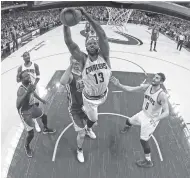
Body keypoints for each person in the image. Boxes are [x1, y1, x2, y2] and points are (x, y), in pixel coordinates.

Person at [64, 7, 112, 139]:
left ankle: (88, 123)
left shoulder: (105, 56)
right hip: (90, 100)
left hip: (104, 94)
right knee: (94, 120)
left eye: (94, 42)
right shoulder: (83, 60)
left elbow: (101, 34)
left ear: (98, 45)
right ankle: (87, 129)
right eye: (89, 42)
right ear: (86, 47)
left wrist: (86, 14)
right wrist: (65, 23)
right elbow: (70, 43)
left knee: (94, 117)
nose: (92, 43)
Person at [110, 73, 169, 168]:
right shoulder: (148, 87)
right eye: (154, 77)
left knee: (143, 140)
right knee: (128, 121)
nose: (154, 79)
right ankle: (127, 128)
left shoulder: (162, 95)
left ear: (161, 82)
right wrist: (119, 85)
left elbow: (166, 112)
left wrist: (156, 119)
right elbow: (131, 89)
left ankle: (148, 161)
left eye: (157, 78)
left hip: (150, 120)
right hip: (143, 113)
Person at [60, 56, 96, 163]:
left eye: (77, 62)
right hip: (75, 109)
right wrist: (71, 65)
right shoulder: (70, 75)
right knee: (81, 134)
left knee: (93, 120)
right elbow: (62, 81)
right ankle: (79, 150)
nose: (76, 64)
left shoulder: (85, 72)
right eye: (73, 62)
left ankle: (89, 130)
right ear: (70, 63)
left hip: (86, 105)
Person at [16, 71, 56, 158]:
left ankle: (45, 129)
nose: (28, 77)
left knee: (44, 116)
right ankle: (26, 146)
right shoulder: (21, 90)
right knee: (31, 134)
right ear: (22, 79)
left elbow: (33, 93)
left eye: (28, 75)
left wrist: (41, 100)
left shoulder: (30, 85)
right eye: (25, 76)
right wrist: (27, 92)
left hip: (32, 107)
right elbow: (17, 105)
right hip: (25, 112)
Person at [17, 51, 41, 132]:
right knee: (29, 105)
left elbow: (38, 76)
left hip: (34, 87)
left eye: (28, 55)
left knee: (36, 104)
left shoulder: (35, 65)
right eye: (25, 56)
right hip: (27, 89)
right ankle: (35, 122)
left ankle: (34, 117)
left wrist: (34, 84)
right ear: (23, 58)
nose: (27, 57)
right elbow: (17, 79)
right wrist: (21, 77)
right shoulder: (21, 68)